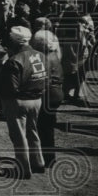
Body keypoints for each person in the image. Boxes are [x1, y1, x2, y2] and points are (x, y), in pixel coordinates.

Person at [0, 27, 47, 180]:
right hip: (36, 99)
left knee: (19, 136)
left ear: (14, 41)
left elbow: (10, 87)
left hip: (18, 101)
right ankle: (38, 162)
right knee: (32, 131)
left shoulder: (14, 60)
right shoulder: (41, 55)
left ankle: (23, 168)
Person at [31, 29, 64, 167]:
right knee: (48, 127)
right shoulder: (55, 55)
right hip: (56, 94)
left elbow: (41, 79)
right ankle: (49, 157)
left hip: (47, 95)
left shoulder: (42, 58)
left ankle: (44, 158)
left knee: (42, 128)